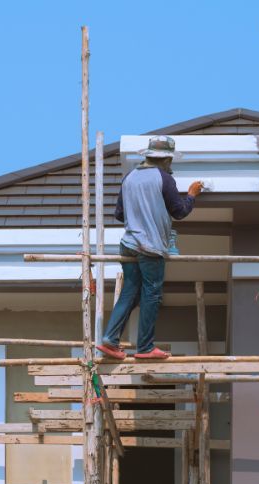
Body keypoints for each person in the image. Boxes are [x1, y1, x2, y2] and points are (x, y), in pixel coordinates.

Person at [97, 135, 203, 360]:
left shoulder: (130, 178)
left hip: (128, 244)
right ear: (165, 159)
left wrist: (141, 212)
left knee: (129, 292)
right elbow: (180, 212)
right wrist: (192, 196)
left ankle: (110, 339)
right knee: (151, 294)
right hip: (150, 246)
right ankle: (145, 347)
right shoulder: (164, 179)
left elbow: (119, 214)